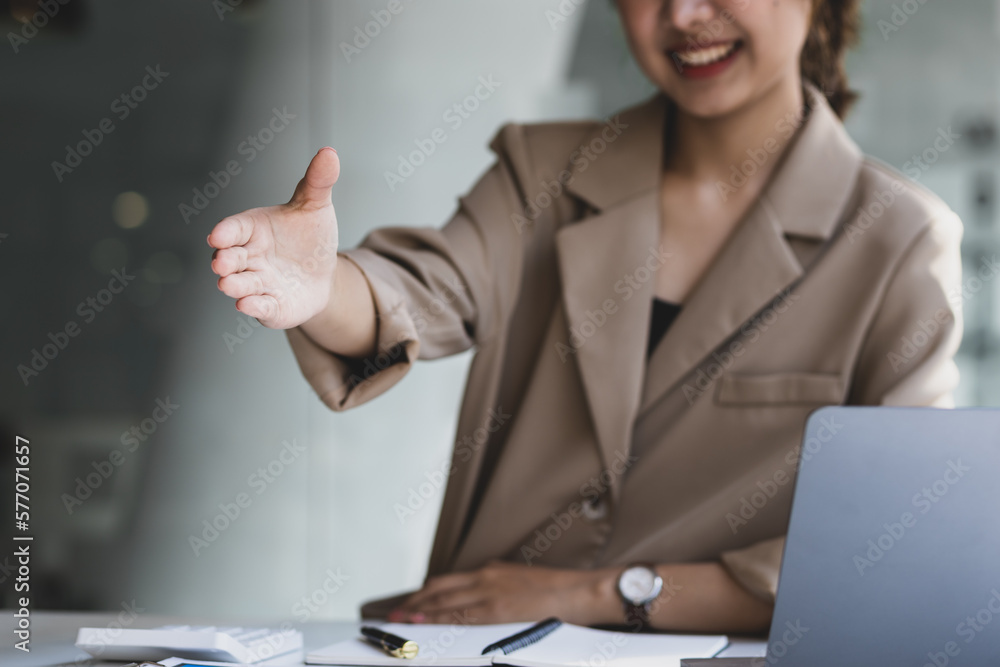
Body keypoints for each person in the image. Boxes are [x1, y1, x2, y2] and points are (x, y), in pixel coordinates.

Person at [207, 0, 963, 634]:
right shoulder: (545, 172)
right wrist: (322, 286)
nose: (685, 15)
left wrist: (600, 593)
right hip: (482, 646)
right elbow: (416, 290)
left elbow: (894, 549)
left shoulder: (897, 241)